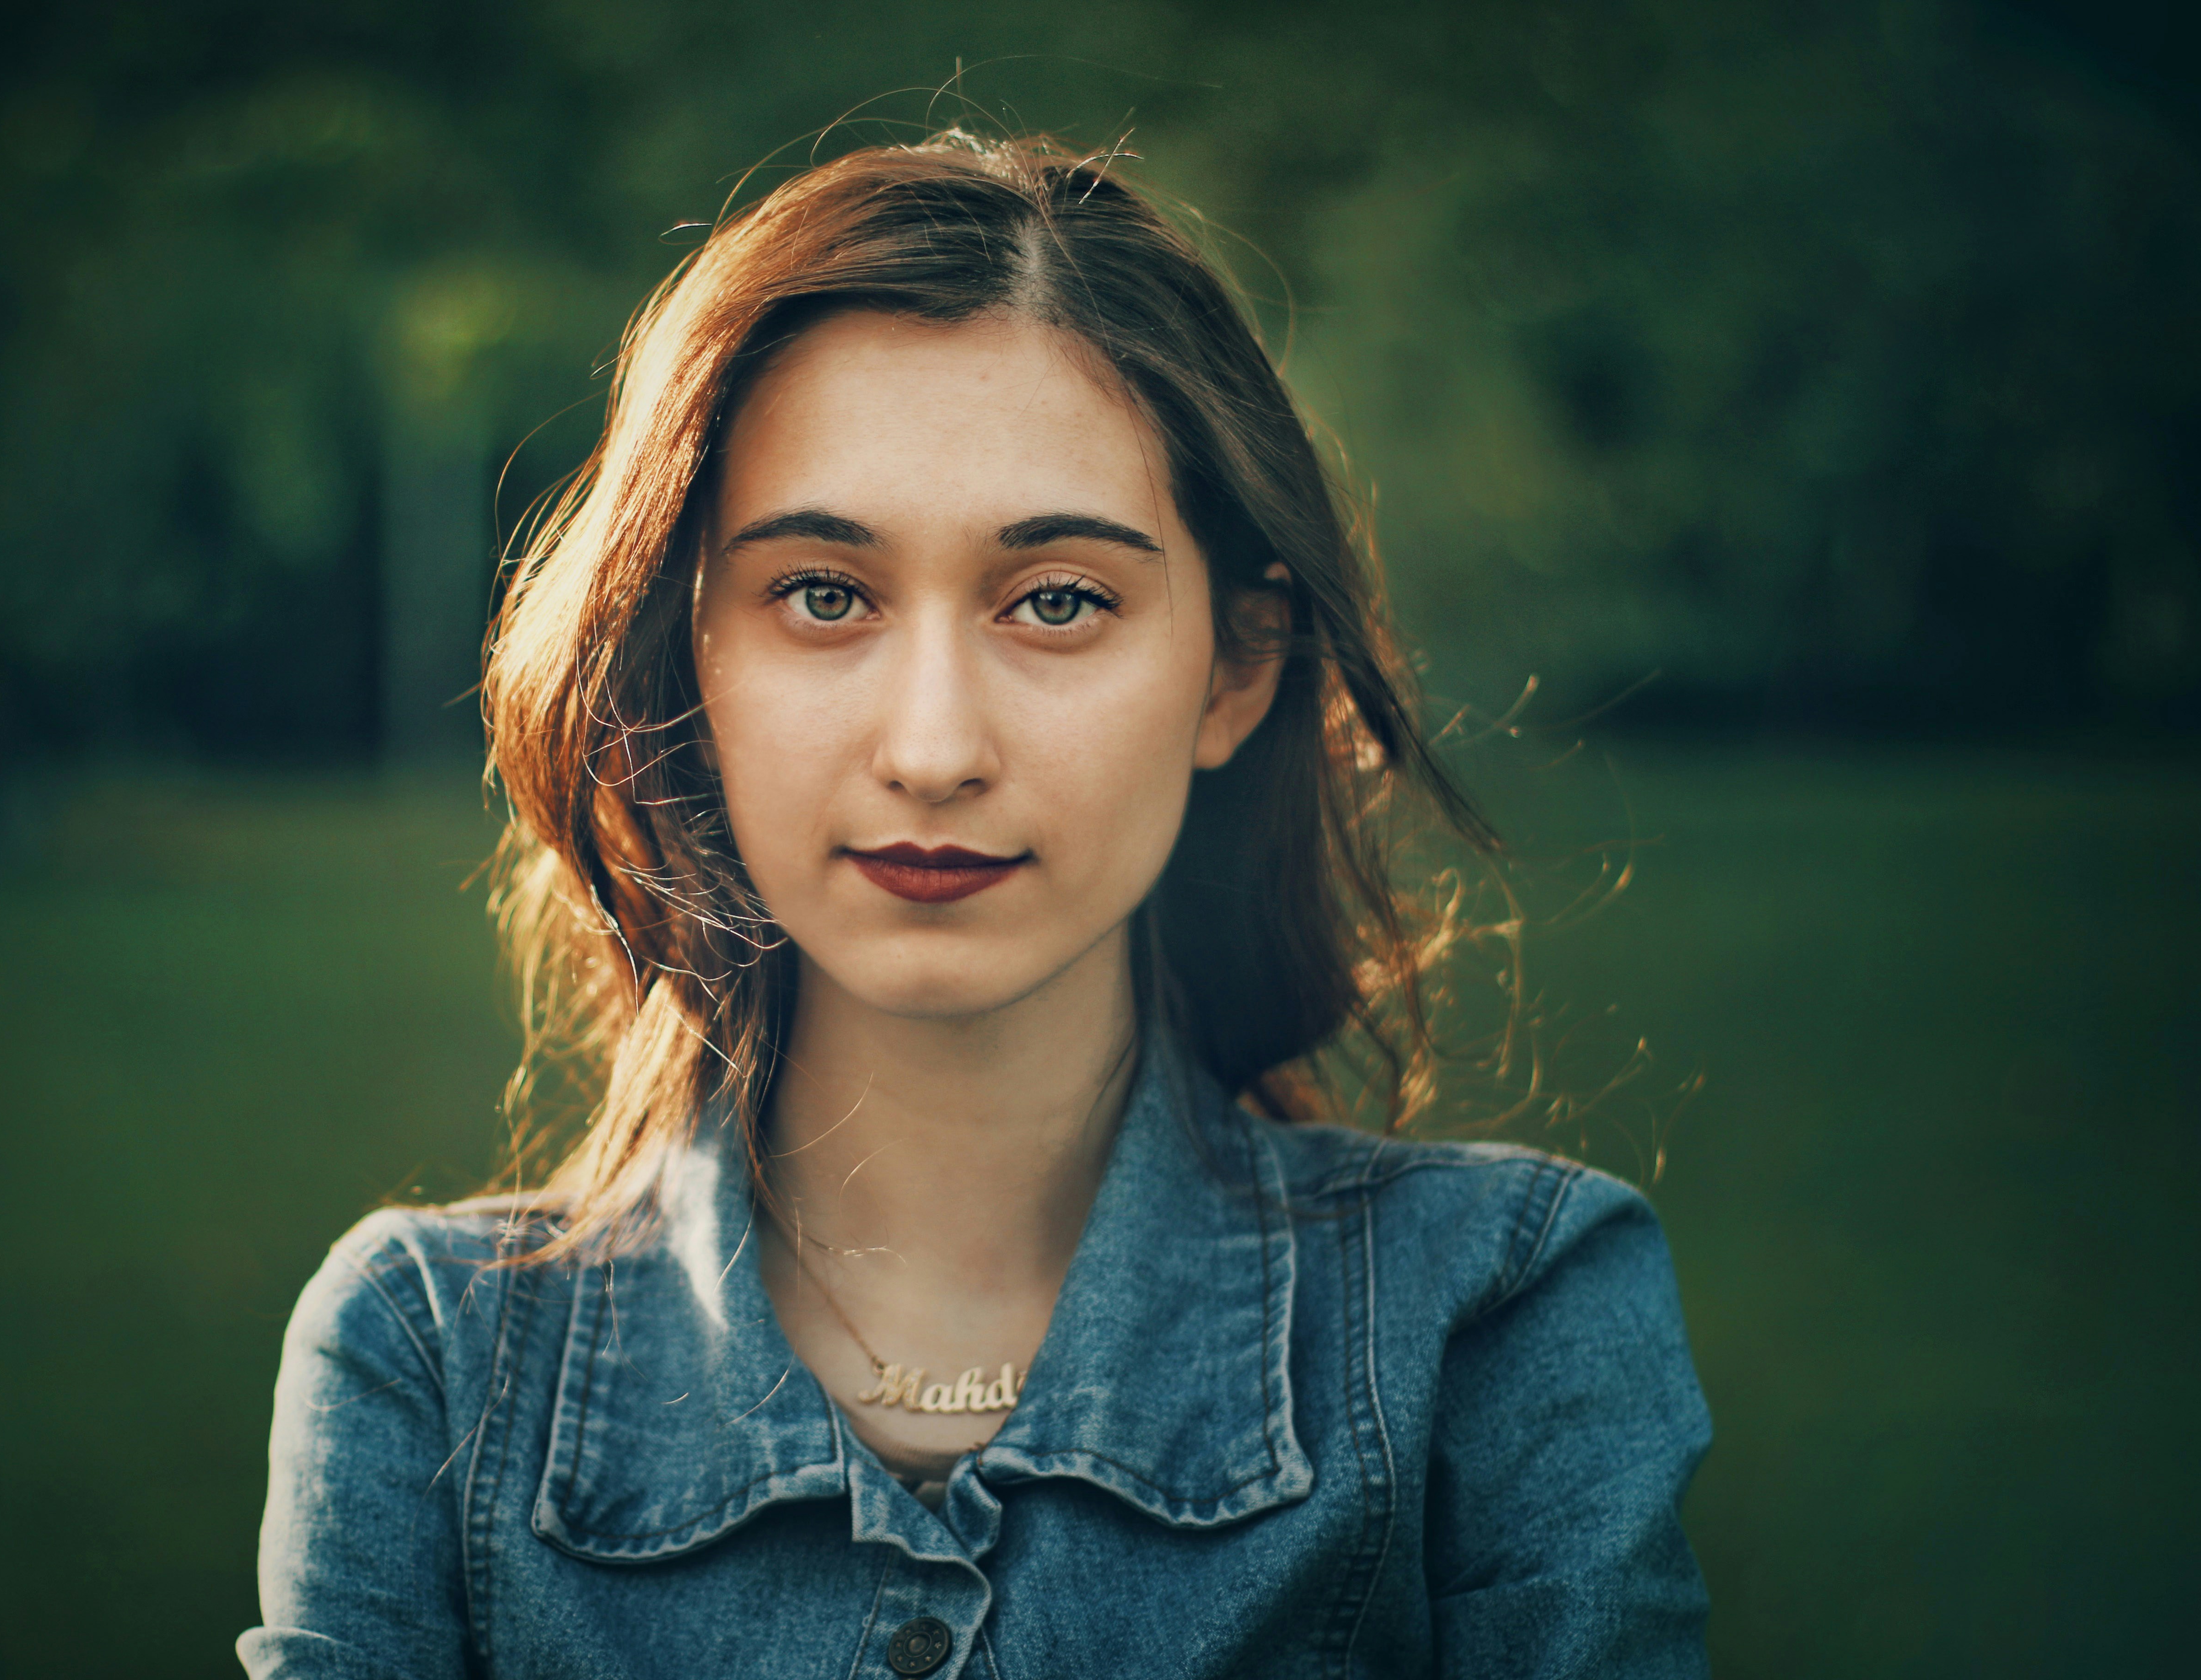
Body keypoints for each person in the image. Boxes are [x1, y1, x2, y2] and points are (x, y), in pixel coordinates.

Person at [240, 130, 1710, 1680]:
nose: (933, 750)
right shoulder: (424, 1363)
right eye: (824, 594)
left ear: (1236, 666)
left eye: (1058, 601)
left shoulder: (1502, 1319)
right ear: (689, 663)